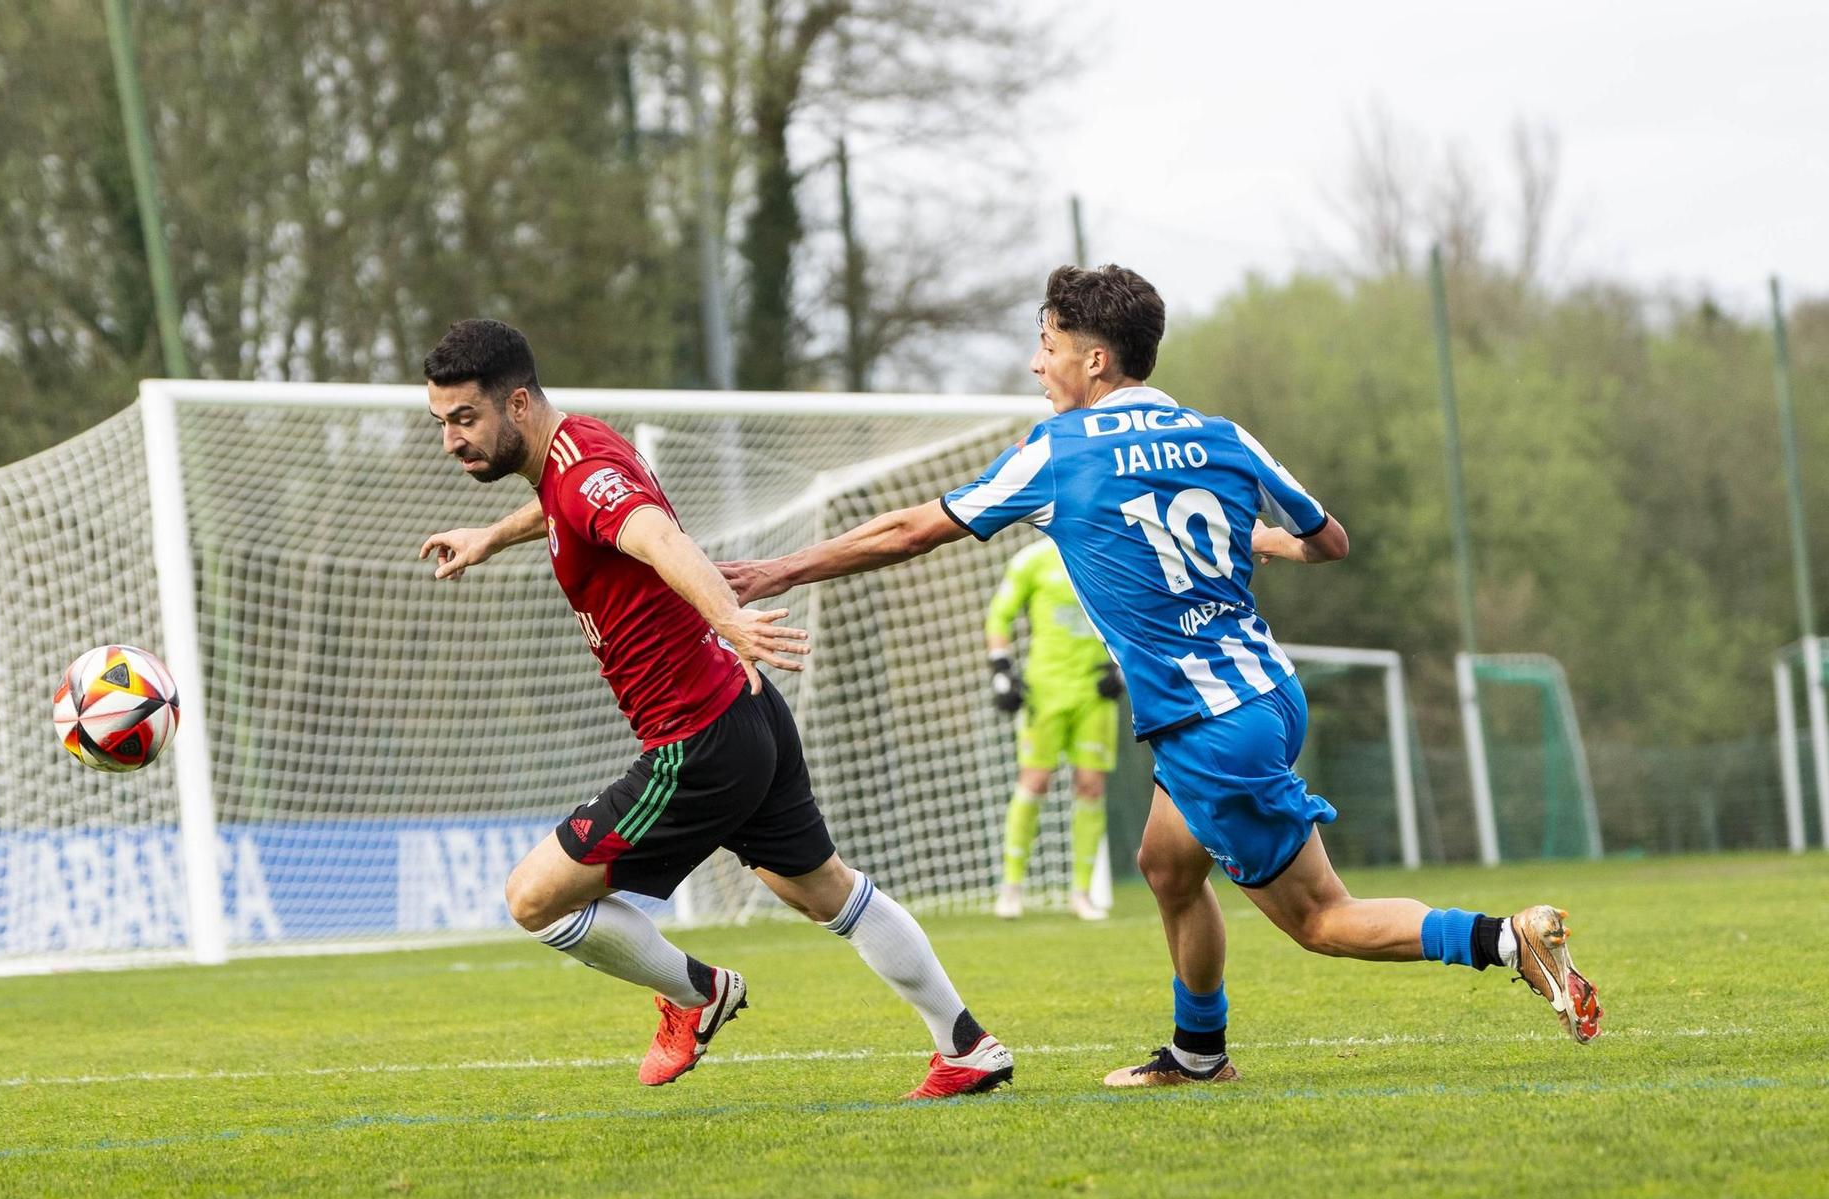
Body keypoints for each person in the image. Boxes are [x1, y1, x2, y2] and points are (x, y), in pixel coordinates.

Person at [720, 265, 1602, 1088]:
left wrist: (778, 572)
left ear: (1093, 360)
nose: (1037, 364)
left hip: (1210, 725)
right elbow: (1329, 541)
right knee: (1166, 865)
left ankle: (1506, 940)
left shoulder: (1059, 452)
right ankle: (1198, 1051)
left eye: (1049, 345)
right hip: (1262, 693)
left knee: (1321, 919)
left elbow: (910, 530)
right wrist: (1251, 537)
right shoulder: (1222, 437)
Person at [417, 319, 1012, 1099]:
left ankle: (698, 996)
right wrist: (492, 536)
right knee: (822, 888)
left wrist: (726, 613)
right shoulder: (573, 451)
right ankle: (964, 1043)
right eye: (442, 424)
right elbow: (567, 506)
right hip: (745, 711)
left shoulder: (583, 474)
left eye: (465, 419)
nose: (452, 440)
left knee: (534, 897)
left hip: (693, 741)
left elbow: (657, 537)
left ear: (518, 403)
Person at [984, 538, 1122, 921]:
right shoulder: (1033, 560)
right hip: (1044, 690)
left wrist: (1121, 669)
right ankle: (1011, 887)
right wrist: (1001, 671)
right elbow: (999, 615)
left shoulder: (1105, 551)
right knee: (1035, 781)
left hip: (1093, 692)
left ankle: (1081, 893)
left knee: (1091, 785)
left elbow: (1131, 613)